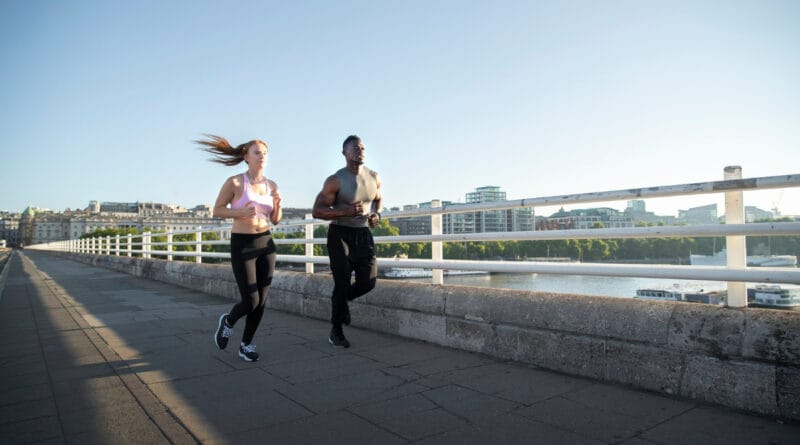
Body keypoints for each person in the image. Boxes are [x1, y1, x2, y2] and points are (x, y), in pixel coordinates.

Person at [198, 134, 282, 362]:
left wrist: (278, 204)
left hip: (266, 243)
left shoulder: (271, 185)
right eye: (257, 152)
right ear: (246, 156)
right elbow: (217, 210)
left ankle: (246, 345)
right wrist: (240, 213)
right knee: (251, 300)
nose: (262, 156)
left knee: (262, 301)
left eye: (264, 153)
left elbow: (276, 220)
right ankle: (229, 321)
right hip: (243, 244)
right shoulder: (235, 182)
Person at [312, 135, 382, 348]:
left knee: (368, 282)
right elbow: (317, 211)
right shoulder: (335, 180)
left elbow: (378, 199)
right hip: (339, 234)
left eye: (362, 147)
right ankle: (336, 330)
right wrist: (345, 211)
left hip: (362, 234)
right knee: (341, 281)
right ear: (344, 153)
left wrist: (376, 214)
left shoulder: (374, 177)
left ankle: (342, 302)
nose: (360, 151)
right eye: (355, 148)